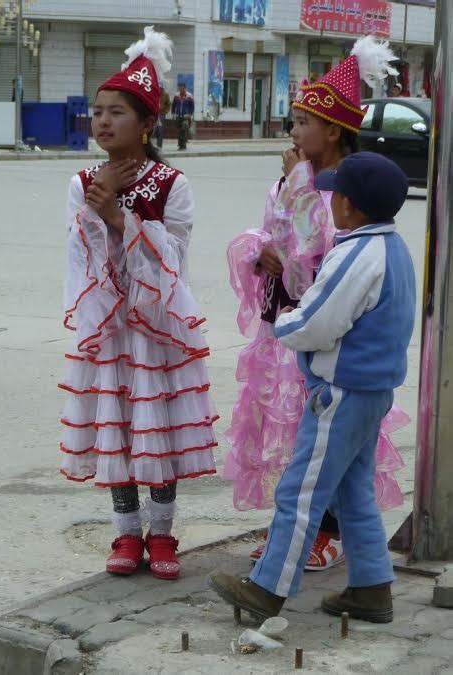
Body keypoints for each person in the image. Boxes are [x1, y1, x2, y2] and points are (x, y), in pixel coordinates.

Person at [223, 36, 407, 571]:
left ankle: (324, 531)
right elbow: (278, 237)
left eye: (304, 121)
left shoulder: (339, 188)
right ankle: (304, 527)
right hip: (287, 323)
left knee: (323, 434)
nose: (295, 130)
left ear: (333, 131)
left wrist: (293, 224)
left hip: (324, 329)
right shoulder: (295, 176)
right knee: (292, 432)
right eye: (295, 119)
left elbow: (317, 260)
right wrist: (263, 252)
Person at [210, 151, 416, 623]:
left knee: (299, 494)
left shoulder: (355, 253)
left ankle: (266, 589)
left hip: (340, 392)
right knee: (353, 493)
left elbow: (320, 321)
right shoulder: (393, 248)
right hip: (372, 393)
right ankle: (371, 588)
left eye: (335, 193)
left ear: (349, 206)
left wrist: (286, 323)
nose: (330, 201)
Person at [59, 27, 217, 581]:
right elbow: (82, 261)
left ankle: (164, 532)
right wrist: (99, 210)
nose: (102, 121)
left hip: (158, 326)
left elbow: (171, 260)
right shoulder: (83, 183)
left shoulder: (173, 184)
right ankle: (126, 534)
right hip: (111, 324)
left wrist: (119, 216)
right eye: (97, 112)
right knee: (120, 426)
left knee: (158, 428)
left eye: (117, 112)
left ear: (148, 123)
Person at [172, 83, 194, 150]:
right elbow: (173, 105)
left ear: (185, 88)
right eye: (180, 88)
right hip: (178, 116)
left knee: (184, 130)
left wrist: (190, 114)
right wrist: (173, 113)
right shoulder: (176, 95)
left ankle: (183, 145)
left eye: (182, 88)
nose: (181, 89)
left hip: (185, 117)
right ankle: (180, 144)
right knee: (179, 131)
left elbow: (192, 106)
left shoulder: (189, 96)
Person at [153, 84, 171, 149]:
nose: (159, 89)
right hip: (154, 114)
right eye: (158, 88)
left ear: (162, 88)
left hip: (161, 115)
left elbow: (168, 104)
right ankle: (150, 145)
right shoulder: (154, 94)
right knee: (153, 130)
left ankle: (159, 146)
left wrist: (165, 112)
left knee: (160, 130)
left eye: (160, 88)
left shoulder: (165, 95)